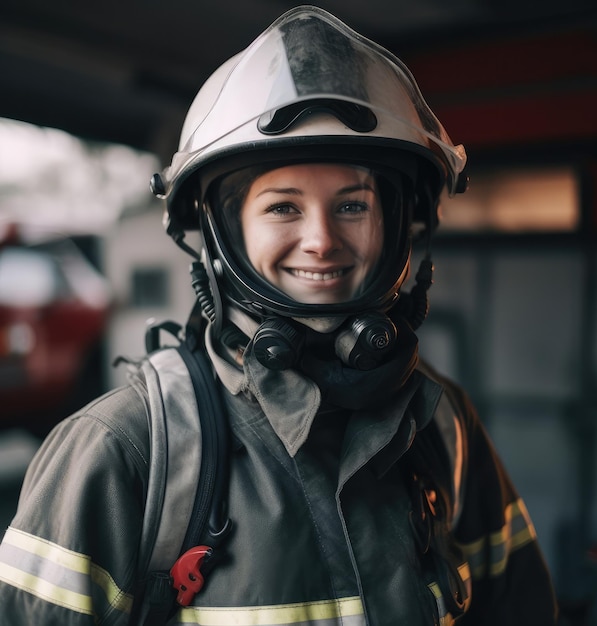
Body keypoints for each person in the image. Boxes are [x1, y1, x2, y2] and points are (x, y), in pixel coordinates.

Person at [0, 5, 558, 625]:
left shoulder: (443, 427)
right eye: (283, 208)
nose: (321, 239)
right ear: (221, 233)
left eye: (352, 205)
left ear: (401, 225)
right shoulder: (119, 453)